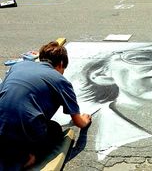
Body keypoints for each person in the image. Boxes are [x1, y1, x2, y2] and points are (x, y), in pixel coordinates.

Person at [0, 41, 92, 169]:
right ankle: (30, 157)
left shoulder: (19, 66)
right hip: (26, 131)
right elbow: (79, 122)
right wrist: (86, 120)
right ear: (61, 64)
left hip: (1, 127)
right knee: (54, 129)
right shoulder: (59, 80)